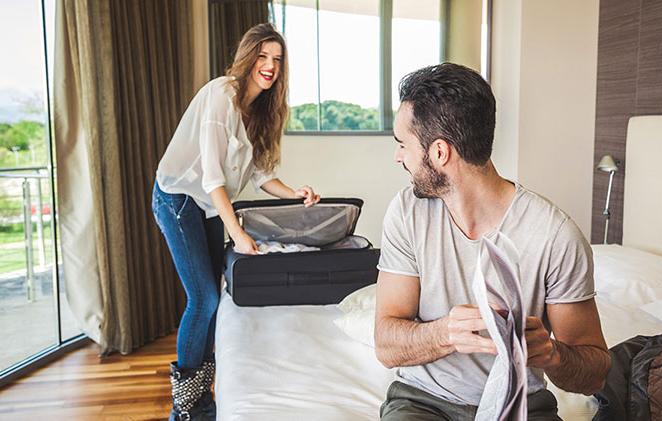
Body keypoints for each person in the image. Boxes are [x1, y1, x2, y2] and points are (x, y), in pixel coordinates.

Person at [374, 63, 611, 420]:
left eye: (402, 144)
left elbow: (594, 371)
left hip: (522, 405)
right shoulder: (407, 212)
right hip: (423, 401)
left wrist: (551, 353)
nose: (398, 156)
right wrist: (446, 334)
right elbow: (386, 343)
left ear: (440, 153)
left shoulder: (555, 235)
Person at [151, 23, 320, 420]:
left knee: (212, 298)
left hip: (209, 205)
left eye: (277, 60)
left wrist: (295, 192)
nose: (270, 66)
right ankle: (185, 406)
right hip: (178, 198)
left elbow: (261, 176)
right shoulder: (220, 97)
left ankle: (202, 398)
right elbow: (212, 178)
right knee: (204, 298)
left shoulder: (262, 110)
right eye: (262, 56)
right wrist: (238, 233)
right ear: (247, 58)